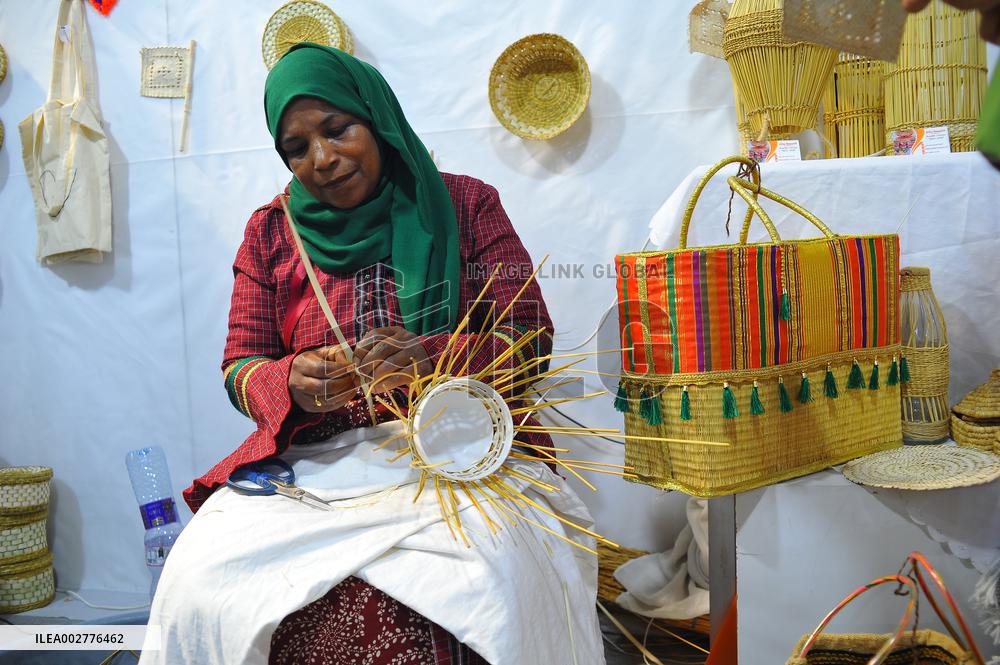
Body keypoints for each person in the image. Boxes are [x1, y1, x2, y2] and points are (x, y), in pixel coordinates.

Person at [142, 43, 604, 664]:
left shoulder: (467, 205)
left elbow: (530, 341)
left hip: (457, 454)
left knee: (478, 587)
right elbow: (240, 366)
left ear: (375, 116)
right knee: (200, 582)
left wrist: (434, 358)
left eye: (338, 129)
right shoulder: (270, 233)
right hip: (316, 468)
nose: (323, 159)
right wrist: (289, 381)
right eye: (297, 148)